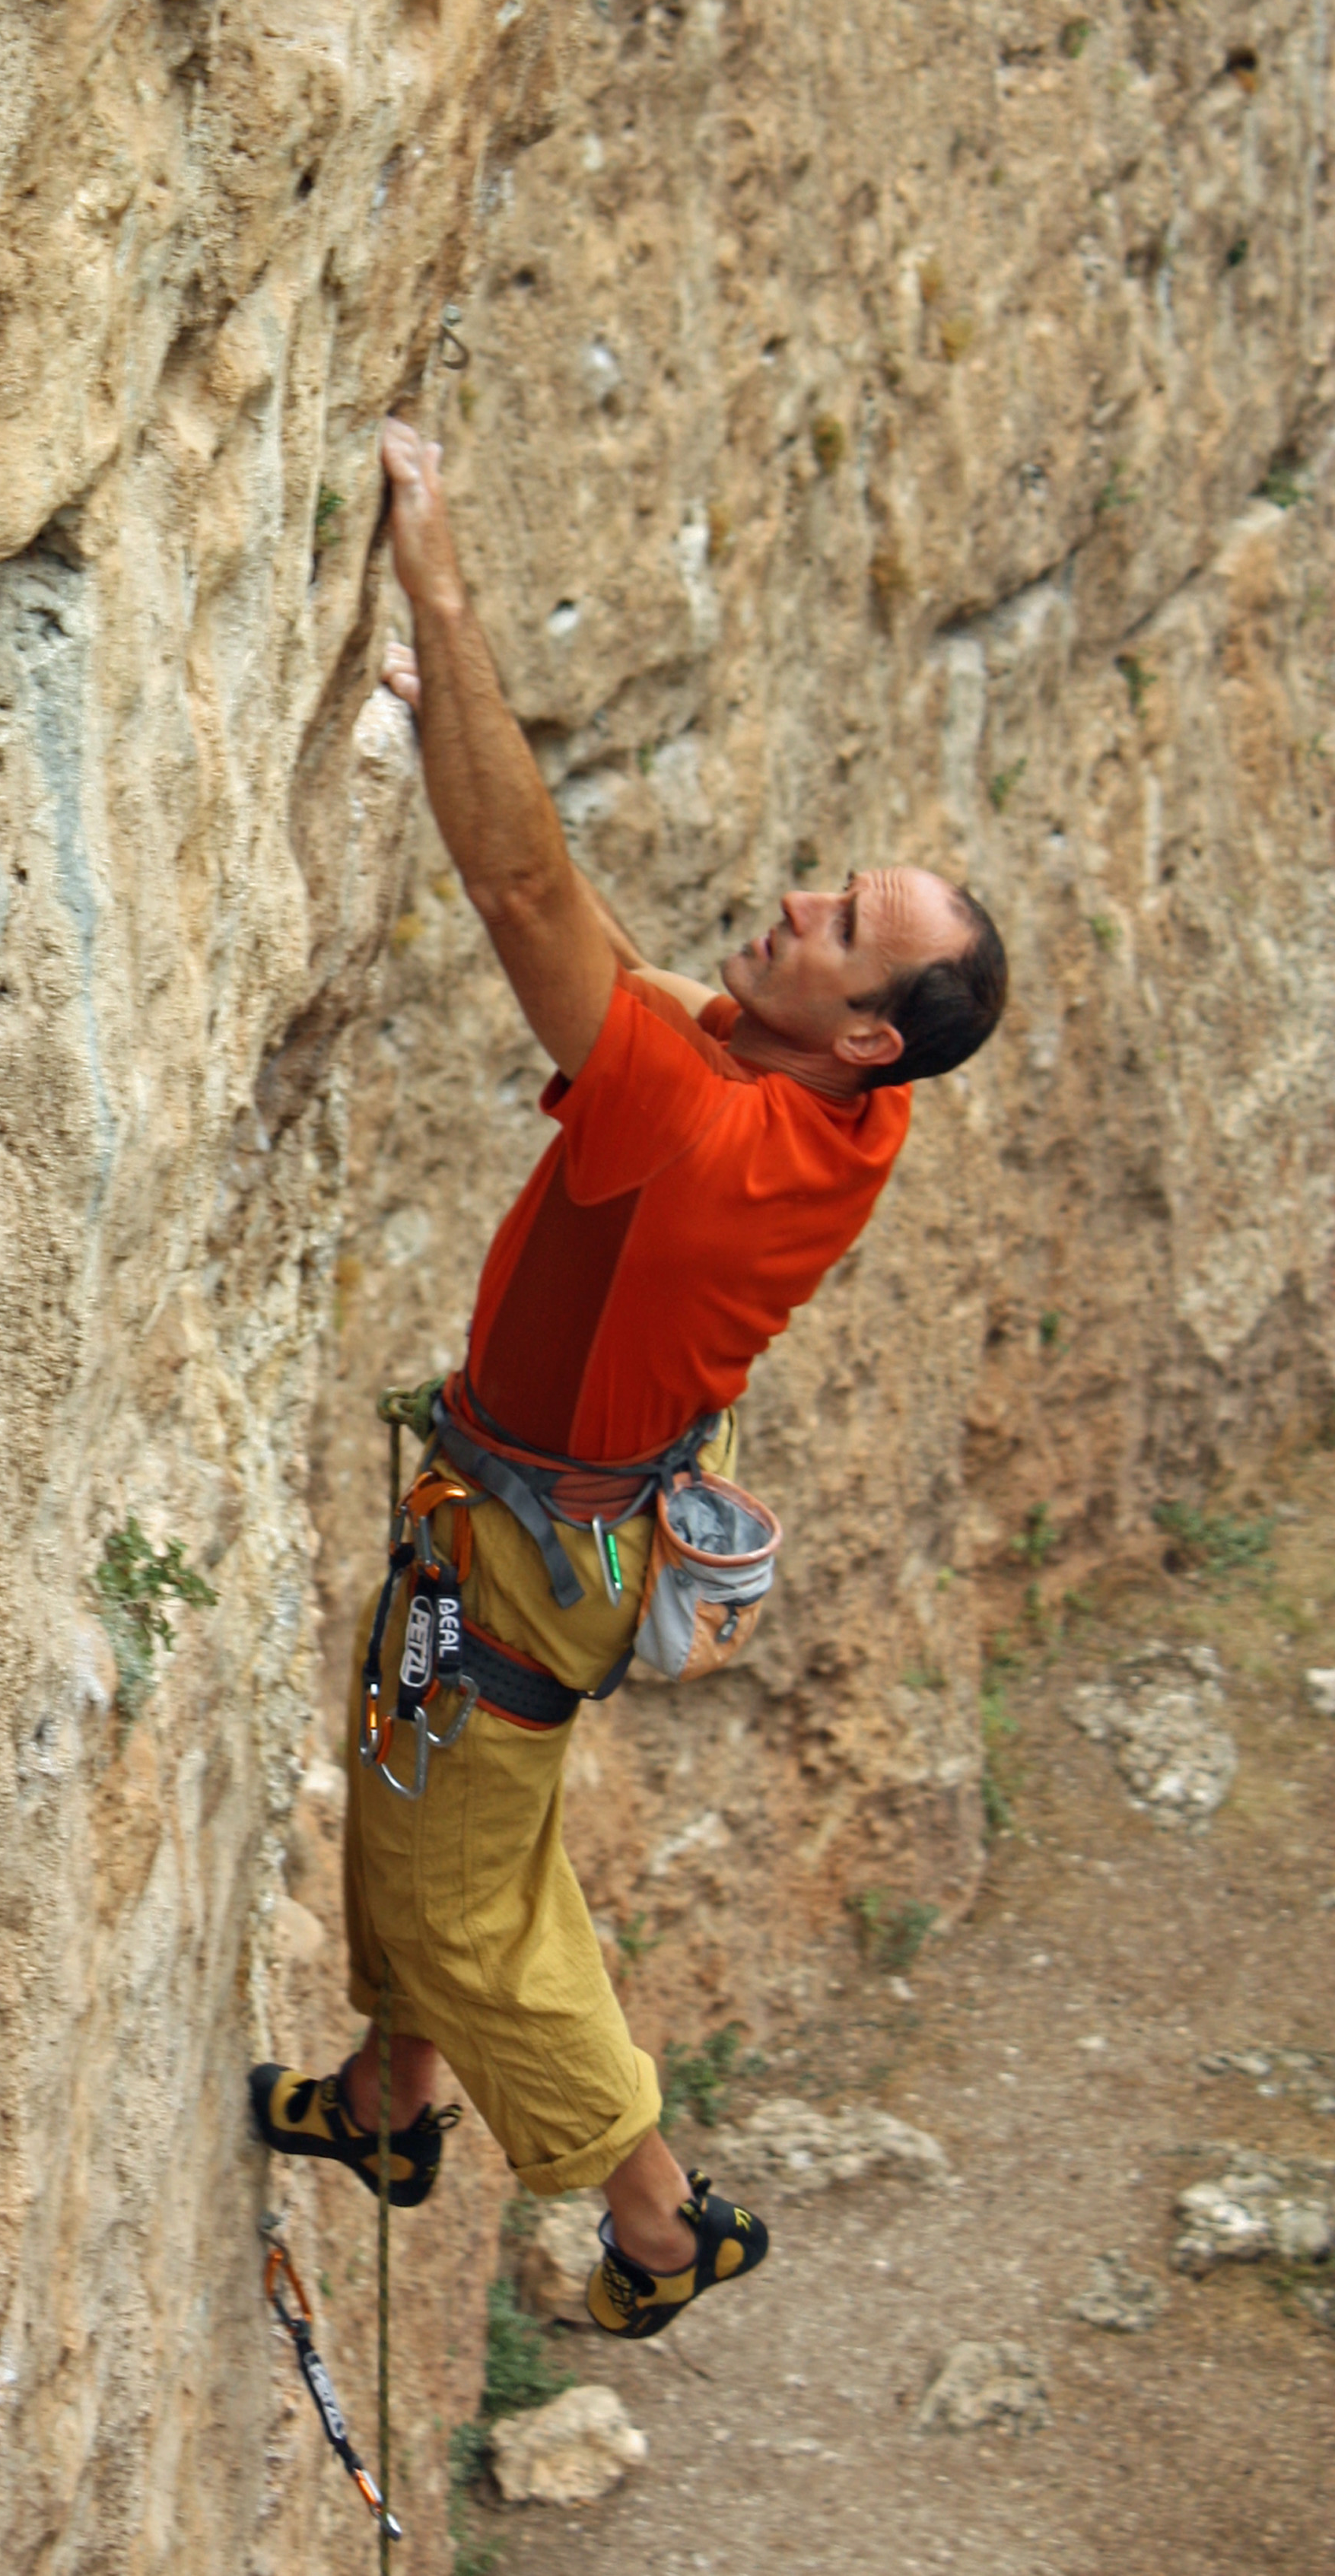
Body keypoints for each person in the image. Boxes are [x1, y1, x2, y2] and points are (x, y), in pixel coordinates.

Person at [250, 416, 1008, 2340]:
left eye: (838, 931)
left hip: (522, 1553)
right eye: (834, 887)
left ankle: (661, 2228)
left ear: (858, 1042)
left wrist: (434, 581)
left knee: (456, 1892)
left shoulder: (706, 1122)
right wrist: (436, 727)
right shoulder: (829, 1106)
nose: (795, 905)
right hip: (568, 1510)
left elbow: (531, 908)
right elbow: (635, 969)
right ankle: (387, 2102)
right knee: (447, 1827)